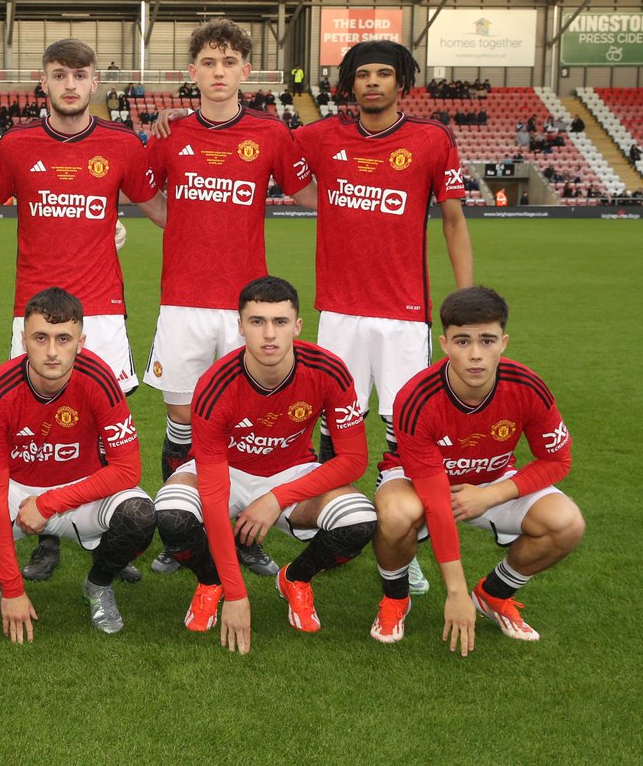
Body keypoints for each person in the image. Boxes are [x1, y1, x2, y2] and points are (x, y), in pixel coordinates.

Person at [0, 38, 165, 582]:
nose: (70, 85)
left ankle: (100, 532)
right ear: (44, 80)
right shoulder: (16, 146)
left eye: (79, 76)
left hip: (101, 310)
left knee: (106, 424)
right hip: (31, 311)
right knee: (29, 422)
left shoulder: (123, 144)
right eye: (59, 75)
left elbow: (159, 211)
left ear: (95, 82)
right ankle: (44, 541)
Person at [292, 40, 473, 595]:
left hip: (403, 315)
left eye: (384, 74)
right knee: (334, 426)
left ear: (403, 82)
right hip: (339, 313)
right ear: (349, 85)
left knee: (406, 430)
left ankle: (404, 543)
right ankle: (332, 528)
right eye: (362, 74)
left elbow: (453, 220)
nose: (373, 82)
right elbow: (265, 154)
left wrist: (465, 303)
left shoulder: (430, 139)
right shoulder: (320, 136)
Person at [142, 18, 315, 579]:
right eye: (208, 64)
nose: (219, 73)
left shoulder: (270, 134)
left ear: (246, 71)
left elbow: (309, 191)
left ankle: (245, 534)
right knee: (183, 420)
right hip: (183, 301)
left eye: (229, 63)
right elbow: (140, 192)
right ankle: (182, 533)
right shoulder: (169, 134)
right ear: (192, 73)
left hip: (247, 307)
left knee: (242, 420)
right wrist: (184, 226)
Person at [154, 276, 374, 651]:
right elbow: (211, 488)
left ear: (298, 326)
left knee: (359, 520)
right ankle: (211, 582)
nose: (269, 334)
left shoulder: (328, 371)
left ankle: (296, 578)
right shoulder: (214, 385)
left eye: (280, 322)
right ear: (240, 327)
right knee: (171, 512)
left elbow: (354, 461)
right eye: (257, 322)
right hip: (225, 472)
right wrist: (237, 595)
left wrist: (276, 498)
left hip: (290, 474)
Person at [0, 288, 154, 640]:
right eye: (40, 338)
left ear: (81, 342)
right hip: (14, 490)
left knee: (140, 514)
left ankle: (98, 584)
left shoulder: (100, 379)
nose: (51, 351)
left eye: (63, 339)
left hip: (80, 491)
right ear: (23, 340)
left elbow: (127, 469)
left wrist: (49, 503)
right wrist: (13, 586)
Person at [370, 286, 583, 653]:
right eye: (462, 341)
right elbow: (436, 501)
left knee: (567, 523)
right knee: (396, 514)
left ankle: (493, 595)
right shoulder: (416, 398)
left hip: (492, 481)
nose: (475, 355)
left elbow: (558, 459)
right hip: (417, 481)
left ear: (504, 342)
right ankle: (395, 597)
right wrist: (454, 592)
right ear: (444, 343)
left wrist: (492, 494)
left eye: (486, 341)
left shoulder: (527, 387)